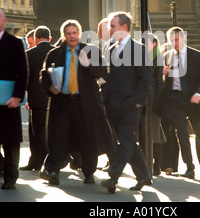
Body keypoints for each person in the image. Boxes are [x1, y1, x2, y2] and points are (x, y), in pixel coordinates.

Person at [39, 19, 115, 185]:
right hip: (63, 103)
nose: (72, 36)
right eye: (68, 33)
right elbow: (45, 76)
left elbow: (103, 71)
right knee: (58, 136)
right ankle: (52, 171)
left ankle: (88, 173)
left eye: (74, 33)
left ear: (79, 34)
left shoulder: (91, 51)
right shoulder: (55, 54)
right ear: (64, 35)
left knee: (87, 139)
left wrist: (88, 65)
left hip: (86, 104)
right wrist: (50, 88)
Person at [101, 11, 152, 193]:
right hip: (113, 104)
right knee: (128, 141)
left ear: (124, 27)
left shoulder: (138, 48)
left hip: (130, 105)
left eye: (112, 26)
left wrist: (138, 101)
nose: (110, 29)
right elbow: (110, 77)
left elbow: (146, 77)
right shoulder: (112, 48)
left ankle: (113, 176)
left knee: (124, 141)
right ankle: (144, 176)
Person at [157, 26, 200, 180]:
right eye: (171, 40)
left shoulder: (197, 56)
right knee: (181, 133)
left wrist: (199, 94)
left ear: (184, 38)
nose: (174, 43)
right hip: (175, 99)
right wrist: (163, 74)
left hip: (194, 99)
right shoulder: (167, 56)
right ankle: (190, 167)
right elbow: (164, 81)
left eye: (176, 39)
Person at [0, 7, 28, 189]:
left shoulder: (15, 43)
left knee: (10, 142)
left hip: (7, 101)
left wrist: (18, 96)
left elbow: (22, 72)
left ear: (4, 21)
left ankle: (10, 178)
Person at [20, 26, 55, 171]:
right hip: (54, 98)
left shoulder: (29, 54)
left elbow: (26, 78)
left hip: (36, 98)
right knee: (53, 129)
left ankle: (37, 160)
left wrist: (26, 97)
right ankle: (50, 159)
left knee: (37, 131)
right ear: (50, 37)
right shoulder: (56, 52)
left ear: (35, 38)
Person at [145, 33, 166, 176]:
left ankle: (156, 166)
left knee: (155, 134)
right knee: (153, 132)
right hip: (144, 101)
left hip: (153, 101)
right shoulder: (142, 58)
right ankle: (152, 164)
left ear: (153, 44)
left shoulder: (157, 59)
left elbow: (159, 83)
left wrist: (158, 102)